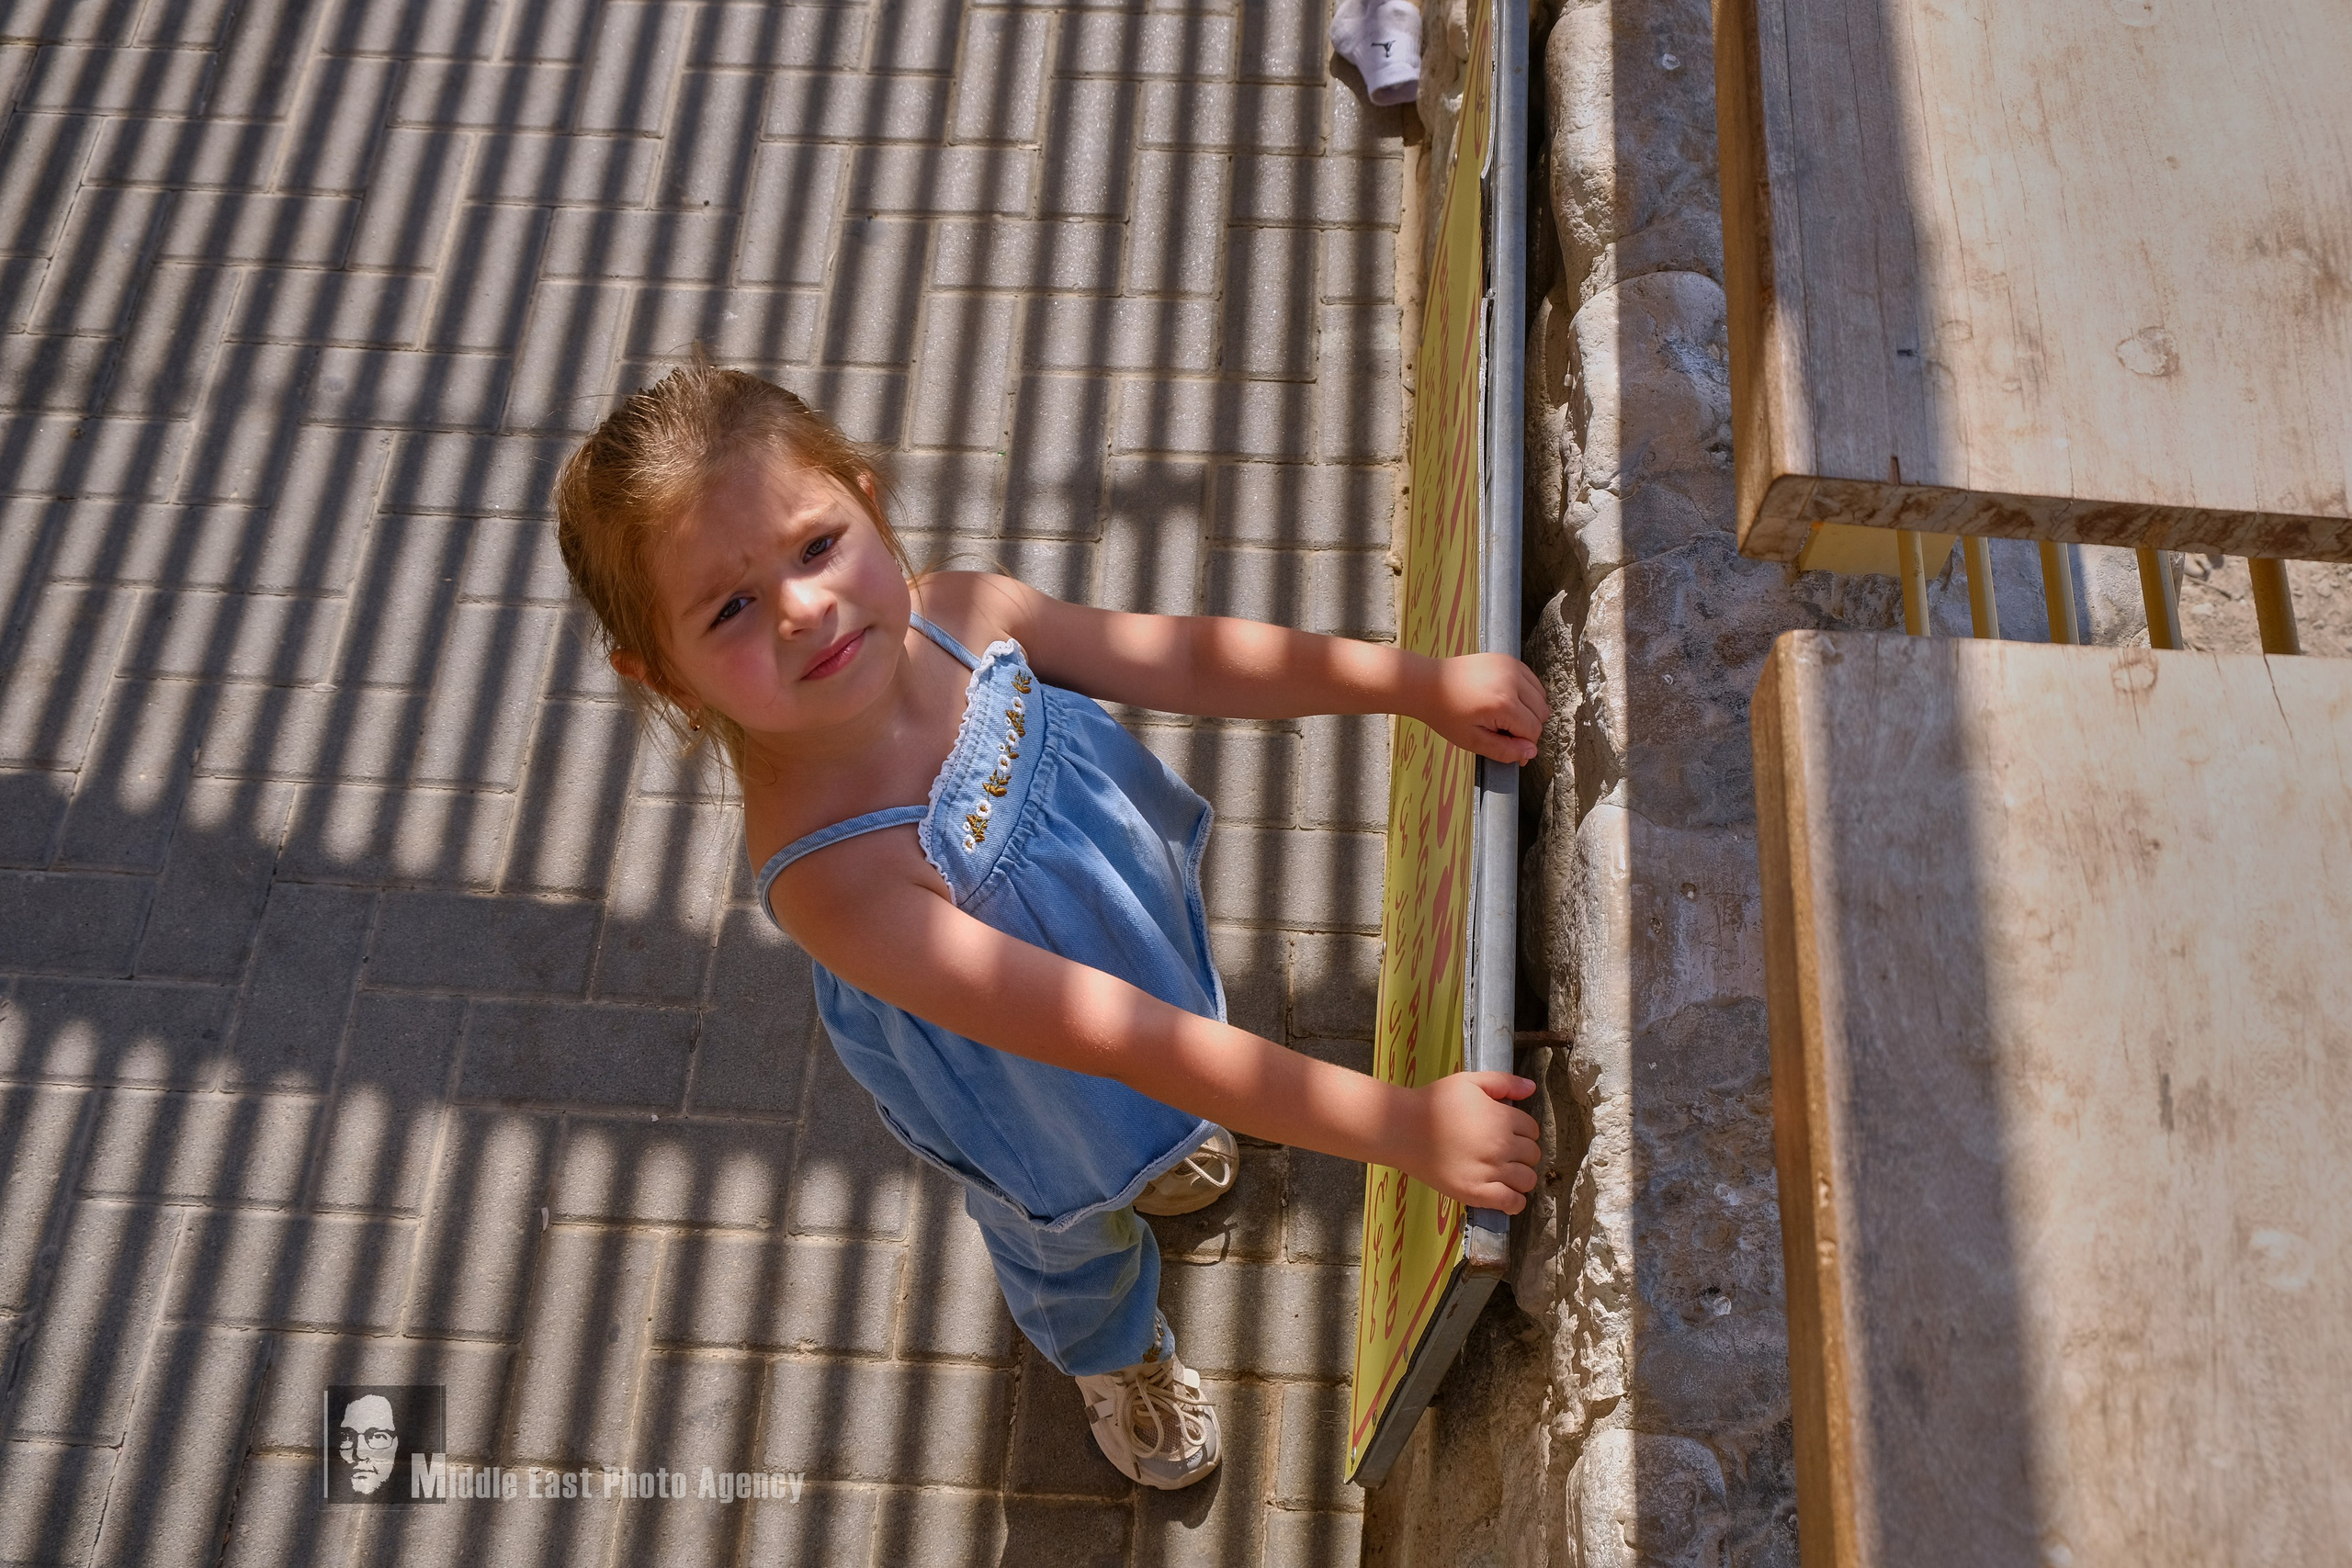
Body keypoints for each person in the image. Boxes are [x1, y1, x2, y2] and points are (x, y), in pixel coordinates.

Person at [552, 362, 1546, 1490]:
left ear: (870, 502)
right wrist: (1398, 1128)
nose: (802, 606)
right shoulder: (837, 882)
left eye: (816, 544)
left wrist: (1409, 683)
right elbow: (1110, 1036)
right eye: (728, 608)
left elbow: (1183, 656)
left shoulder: (968, 615)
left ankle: (1162, 1150)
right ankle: (1112, 1357)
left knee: (1164, 1098)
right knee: (1068, 1225)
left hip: (1116, 952)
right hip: (1023, 1076)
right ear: (666, 677)